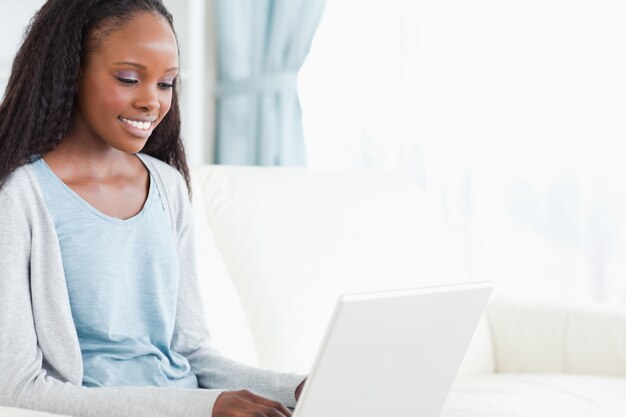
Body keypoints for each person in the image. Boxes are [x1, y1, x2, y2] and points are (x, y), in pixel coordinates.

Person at [0, 1, 305, 416]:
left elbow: (191, 352)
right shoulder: (18, 196)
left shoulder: (168, 184)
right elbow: (19, 387)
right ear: (70, 72)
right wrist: (204, 409)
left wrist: (296, 388)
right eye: (129, 78)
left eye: (166, 84)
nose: (152, 102)